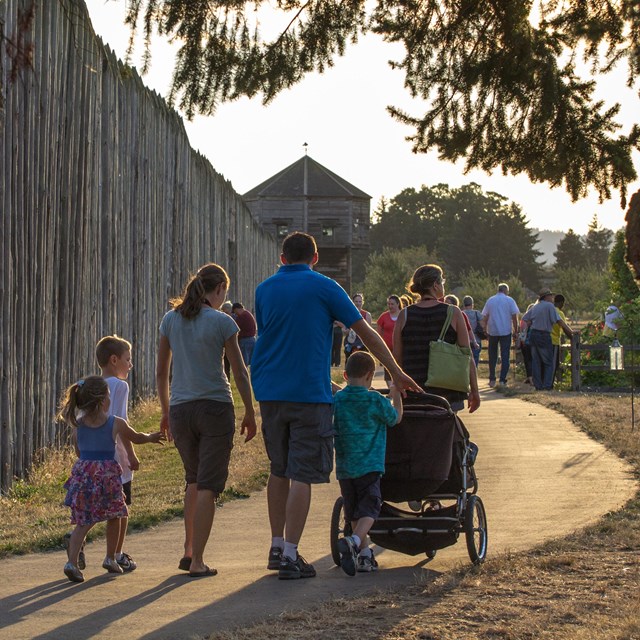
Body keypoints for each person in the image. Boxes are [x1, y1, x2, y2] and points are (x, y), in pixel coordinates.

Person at [250, 232, 419, 580]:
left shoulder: (264, 290)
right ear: (315, 257)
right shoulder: (325, 287)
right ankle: (292, 556)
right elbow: (367, 333)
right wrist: (395, 372)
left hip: (269, 391)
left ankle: (277, 543)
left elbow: (269, 337)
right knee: (303, 473)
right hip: (308, 393)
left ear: (282, 258)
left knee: (278, 469)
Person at [157, 263, 257, 578]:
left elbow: (162, 372)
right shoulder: (222, 321)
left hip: (181, 409)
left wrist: (165, 411)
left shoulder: (170, 320)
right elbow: (239, 371)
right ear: (219, 290)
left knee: (193, 479)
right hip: (215, 407)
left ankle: (188, 549)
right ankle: (198, 560)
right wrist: (251, 411)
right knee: (208, 486)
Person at [58, 376, 165, 583]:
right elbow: (136, 437)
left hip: (84, 474)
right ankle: (110, 558)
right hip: (106, 475)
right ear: (102, 400)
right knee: (115, 515)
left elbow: (79, 452)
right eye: (108, 396)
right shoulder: (115, 422)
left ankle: (71, 562)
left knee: (83, 521)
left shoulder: (78, 425)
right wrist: (151, 437)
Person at [332, 351, 402, 575]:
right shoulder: (375, 400)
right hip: (369, 465)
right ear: (371, 376)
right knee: (370, 507)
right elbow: (395, 418)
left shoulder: (339, 399)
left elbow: (337, 394)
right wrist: (396, 394)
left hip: (345, 466)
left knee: (353, 512)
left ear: (345, 374)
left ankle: (363, 555)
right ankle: (354, 541)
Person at [393, 264, 480, 414]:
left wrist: (397, 386)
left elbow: (397, 358)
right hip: (447, 393)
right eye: (442, 282)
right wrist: (475, 391)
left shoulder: (404, 315)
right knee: (445, 434)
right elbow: (467, 356)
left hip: (414, 391)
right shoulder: (453, 313)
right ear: (435, 285)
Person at [95, 335, 138, 572]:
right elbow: (121, 424)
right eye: (127, 359)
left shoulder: (88, 384)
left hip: (94, 457)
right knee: (122, 507)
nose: (130, 365)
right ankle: (117, 554)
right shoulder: (120, 386)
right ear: (114, 360)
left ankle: (75, 538)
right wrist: (131, 455)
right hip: (117, 458)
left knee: (95, 506)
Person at [522, 289, 574, 391]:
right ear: (546, 297)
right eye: (551, 295)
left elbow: (525, 318)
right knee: (548, 362)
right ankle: (547, 385)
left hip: (534, 334)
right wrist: (571, 333)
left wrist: (533, 323)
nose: (552, 298)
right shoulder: (550, 306)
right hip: (544, 335)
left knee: (536, 362)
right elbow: (560, 321)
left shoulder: (536, 306)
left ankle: (538, 386)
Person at [480, 283, 520, 387]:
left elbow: (485, 316)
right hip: (505, 331)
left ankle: (492, 379)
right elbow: (515, 317)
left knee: (492, 355)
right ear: (506, 290)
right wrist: (516, 331)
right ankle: (502, 380)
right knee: (505, 355)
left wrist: (484, 329)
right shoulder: (510, 300)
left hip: (492, 331)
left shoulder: (490, 300)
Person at [376, 294, 403, 384]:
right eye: (389, 304)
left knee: (400, 367)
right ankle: (390, 388)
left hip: (400, 347)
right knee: (388, 368)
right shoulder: (383, 317)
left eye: (392, 304)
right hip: (387, 348)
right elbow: (378, 333)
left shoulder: (403, 315)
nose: (390, 306)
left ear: (398, 304)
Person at [343, 293, 372, 361]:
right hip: (350, 343)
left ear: (362, 302)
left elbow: (368, 331)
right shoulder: (347, 314)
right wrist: (350, 332)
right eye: (356, 301)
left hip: (363, 344)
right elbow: (344, 330)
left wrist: (357, 331)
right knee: (350, 364)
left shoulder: (367, 315)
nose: (358, 303)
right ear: (352, 302)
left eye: (360, 301)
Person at [551, 294, 568, 385]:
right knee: (554, 364)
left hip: (545, 339)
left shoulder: (549, 310)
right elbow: (564, 328)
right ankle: (550, 382)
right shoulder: (560, 313)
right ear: (561, 303)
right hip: (554, 340)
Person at [462, 295, 484, 367]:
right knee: (475, 359)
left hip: (464, 339)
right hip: (476, 339)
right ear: (472, 304)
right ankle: (474, 375)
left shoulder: (461, 313)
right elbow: (483, 326)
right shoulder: (477, 313)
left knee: (465, 360)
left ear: (464, 304)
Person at [221, 301, 234, 380]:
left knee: (227, 366)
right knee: (225, 366)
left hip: (229, 346)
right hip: (224, 346)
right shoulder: (223, 319)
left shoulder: (232, 319)